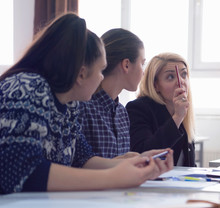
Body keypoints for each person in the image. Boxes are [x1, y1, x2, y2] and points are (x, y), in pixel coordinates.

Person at [0, 13, 173, 194]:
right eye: (100, 70)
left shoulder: (69, 104)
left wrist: (131, 163)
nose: (101, 77)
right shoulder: (29, 87)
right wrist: (114, 177)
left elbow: (82, 159)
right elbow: (22, 171)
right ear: (82, 74)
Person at [78, 28, 145, 158]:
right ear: (126, 65)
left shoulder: (122, 113)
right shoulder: (83, 108)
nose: (143, 71)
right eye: (142, 63)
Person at [126, 53, 196, 167]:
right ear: (155, 85)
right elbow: (143, 153)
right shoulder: (138, 108)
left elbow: (188, 165)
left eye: (184, 74)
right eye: (170, 77)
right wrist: (177, 118)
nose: (180, 82)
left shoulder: (184, 112)